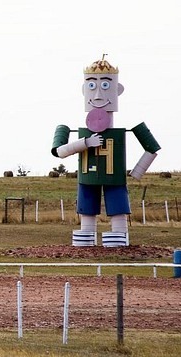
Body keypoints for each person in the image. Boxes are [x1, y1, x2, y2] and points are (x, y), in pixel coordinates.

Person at [51, 57, 159, 247]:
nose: (99, 94)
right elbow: (59, 151)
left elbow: (152, 148)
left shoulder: (122, 131)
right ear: (84, 90)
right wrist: (86, 142)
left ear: (118, 90)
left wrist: (137, 171)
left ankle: (118, 237)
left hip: (115, 178)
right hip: (87, 178)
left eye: (106, 85)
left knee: (117, 209)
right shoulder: (76, 132)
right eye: (92, 85)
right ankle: (86, 237)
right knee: (87, 209)